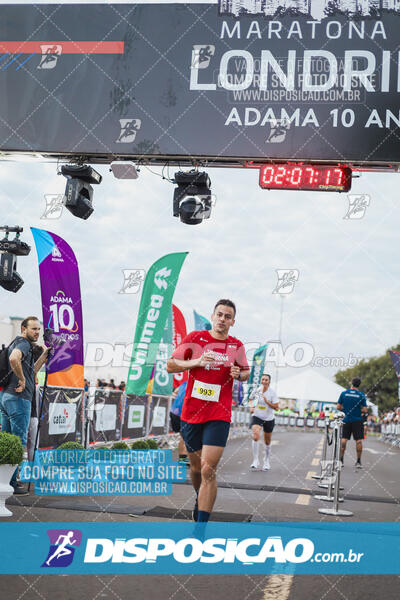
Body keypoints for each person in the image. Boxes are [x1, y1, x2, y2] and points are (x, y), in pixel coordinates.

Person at [167, 299, 250, 523]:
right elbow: (171, 364)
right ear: (213, 316)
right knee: (195, 469)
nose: (223, 319)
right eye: (220, 315)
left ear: (233, 321)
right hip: (192, 413)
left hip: (219, 414)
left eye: (228, 316)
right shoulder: (195, 338)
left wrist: (238, 374)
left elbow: (245, 373)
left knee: (207, 469)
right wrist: (196, 362)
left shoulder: (236, 346)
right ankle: (200, 497)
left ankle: (201, 527)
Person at [0, 317, 49, 494]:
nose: (37, 332)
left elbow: (32, 371)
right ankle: (12, 482)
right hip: (19, 398)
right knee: (17, 441)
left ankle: (4, 480)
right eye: (34, 329)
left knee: (6, 440)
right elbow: (14, 359)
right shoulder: (24, 343)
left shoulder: (18, 343)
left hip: (7, 396)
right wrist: (21, 379)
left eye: (38, 329)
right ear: (23, 329)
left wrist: (44, 356)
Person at [249, 374, 279, 470]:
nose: (264, 381)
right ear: (261, 381)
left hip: (269, 418)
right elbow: (250, 399)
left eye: (266, 380)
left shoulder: (272, 393)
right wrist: (251, 407)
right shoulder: (257, 391)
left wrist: (267, 401)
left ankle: (266, 460)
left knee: (267, 441)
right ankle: (255, 460)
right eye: (263, 379)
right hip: (257, 416)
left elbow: (276, 407)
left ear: (269, 382)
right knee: (256, 435)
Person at [337, 376, 368, 468]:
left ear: (351, 383)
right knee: (358, 441)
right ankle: (358, 462)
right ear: (359, 385)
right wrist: (359, 411)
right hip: (357, 420)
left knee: (344, 439)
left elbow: (338, 407)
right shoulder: (361, 395)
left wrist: (346, 409)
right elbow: (365, 410)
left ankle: (341, 460)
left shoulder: (344, 393)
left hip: (346, 419)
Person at [169, 381, 189, 465]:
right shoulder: (197, 384)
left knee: (183, 436)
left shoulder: (184, 383)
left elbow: (174, 393)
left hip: (174, 412)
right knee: (189, 437)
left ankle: (182, 458)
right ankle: (188, 458)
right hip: (184, 413)